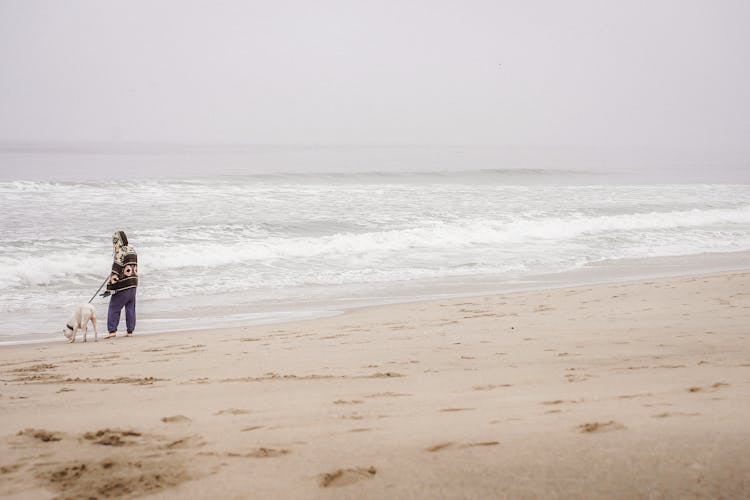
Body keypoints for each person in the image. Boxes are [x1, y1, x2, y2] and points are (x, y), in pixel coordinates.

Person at [102, 231, 138, 339]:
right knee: (130, 308)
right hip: (133, 284)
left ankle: (112, 330)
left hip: (123, 286)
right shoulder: (132, 250)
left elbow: (116, 271)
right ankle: (130, 331)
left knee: (114, 307)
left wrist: (109, 287)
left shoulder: (119, 252)